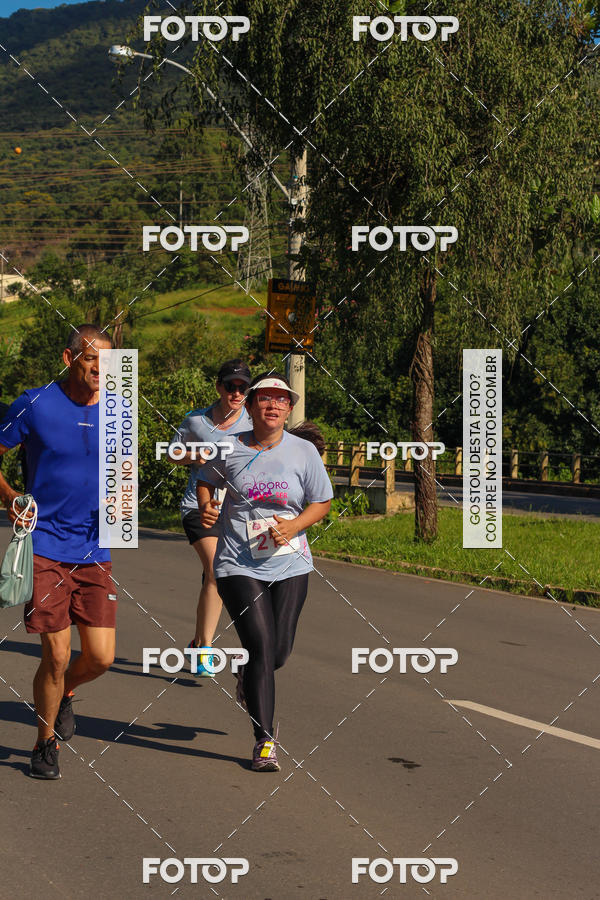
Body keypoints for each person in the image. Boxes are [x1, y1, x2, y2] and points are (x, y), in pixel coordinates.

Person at [197, 372, 333, 771]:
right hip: (238, 561)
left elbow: (321, 501)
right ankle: (264, 741)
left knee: (277, 652)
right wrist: (208, 505)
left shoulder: (302, 451)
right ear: (252, 405)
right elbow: (205, 482)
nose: (272, 405)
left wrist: (294, 525)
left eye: (281, 399)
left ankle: (248, 675)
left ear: (288, 408)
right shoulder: (227, 448)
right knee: (260, 645)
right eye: (265, 398)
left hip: (291, 561)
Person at [0, 325, 116, 779]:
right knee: (57, 655)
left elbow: (121, 476)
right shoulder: (34, 403)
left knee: (102, 658)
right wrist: (10, 497)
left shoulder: (119, 411)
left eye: (107, 363)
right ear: (70, 358)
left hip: (95, 548)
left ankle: (62, 694)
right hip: (44, 544)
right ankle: (43, 743)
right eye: (91, 360)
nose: (98, 371)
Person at [169, 359, 252, 675]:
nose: (236, 392)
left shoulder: (253, 422)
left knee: (217, 578)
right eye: (230, 386)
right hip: (198, 506)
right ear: (219, 387)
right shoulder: (196, 422)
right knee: (217, 570)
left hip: (236, 512)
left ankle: (197, 643)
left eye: (242, 387)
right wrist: (194, 455)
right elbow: (172, 453)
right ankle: (204, 651)